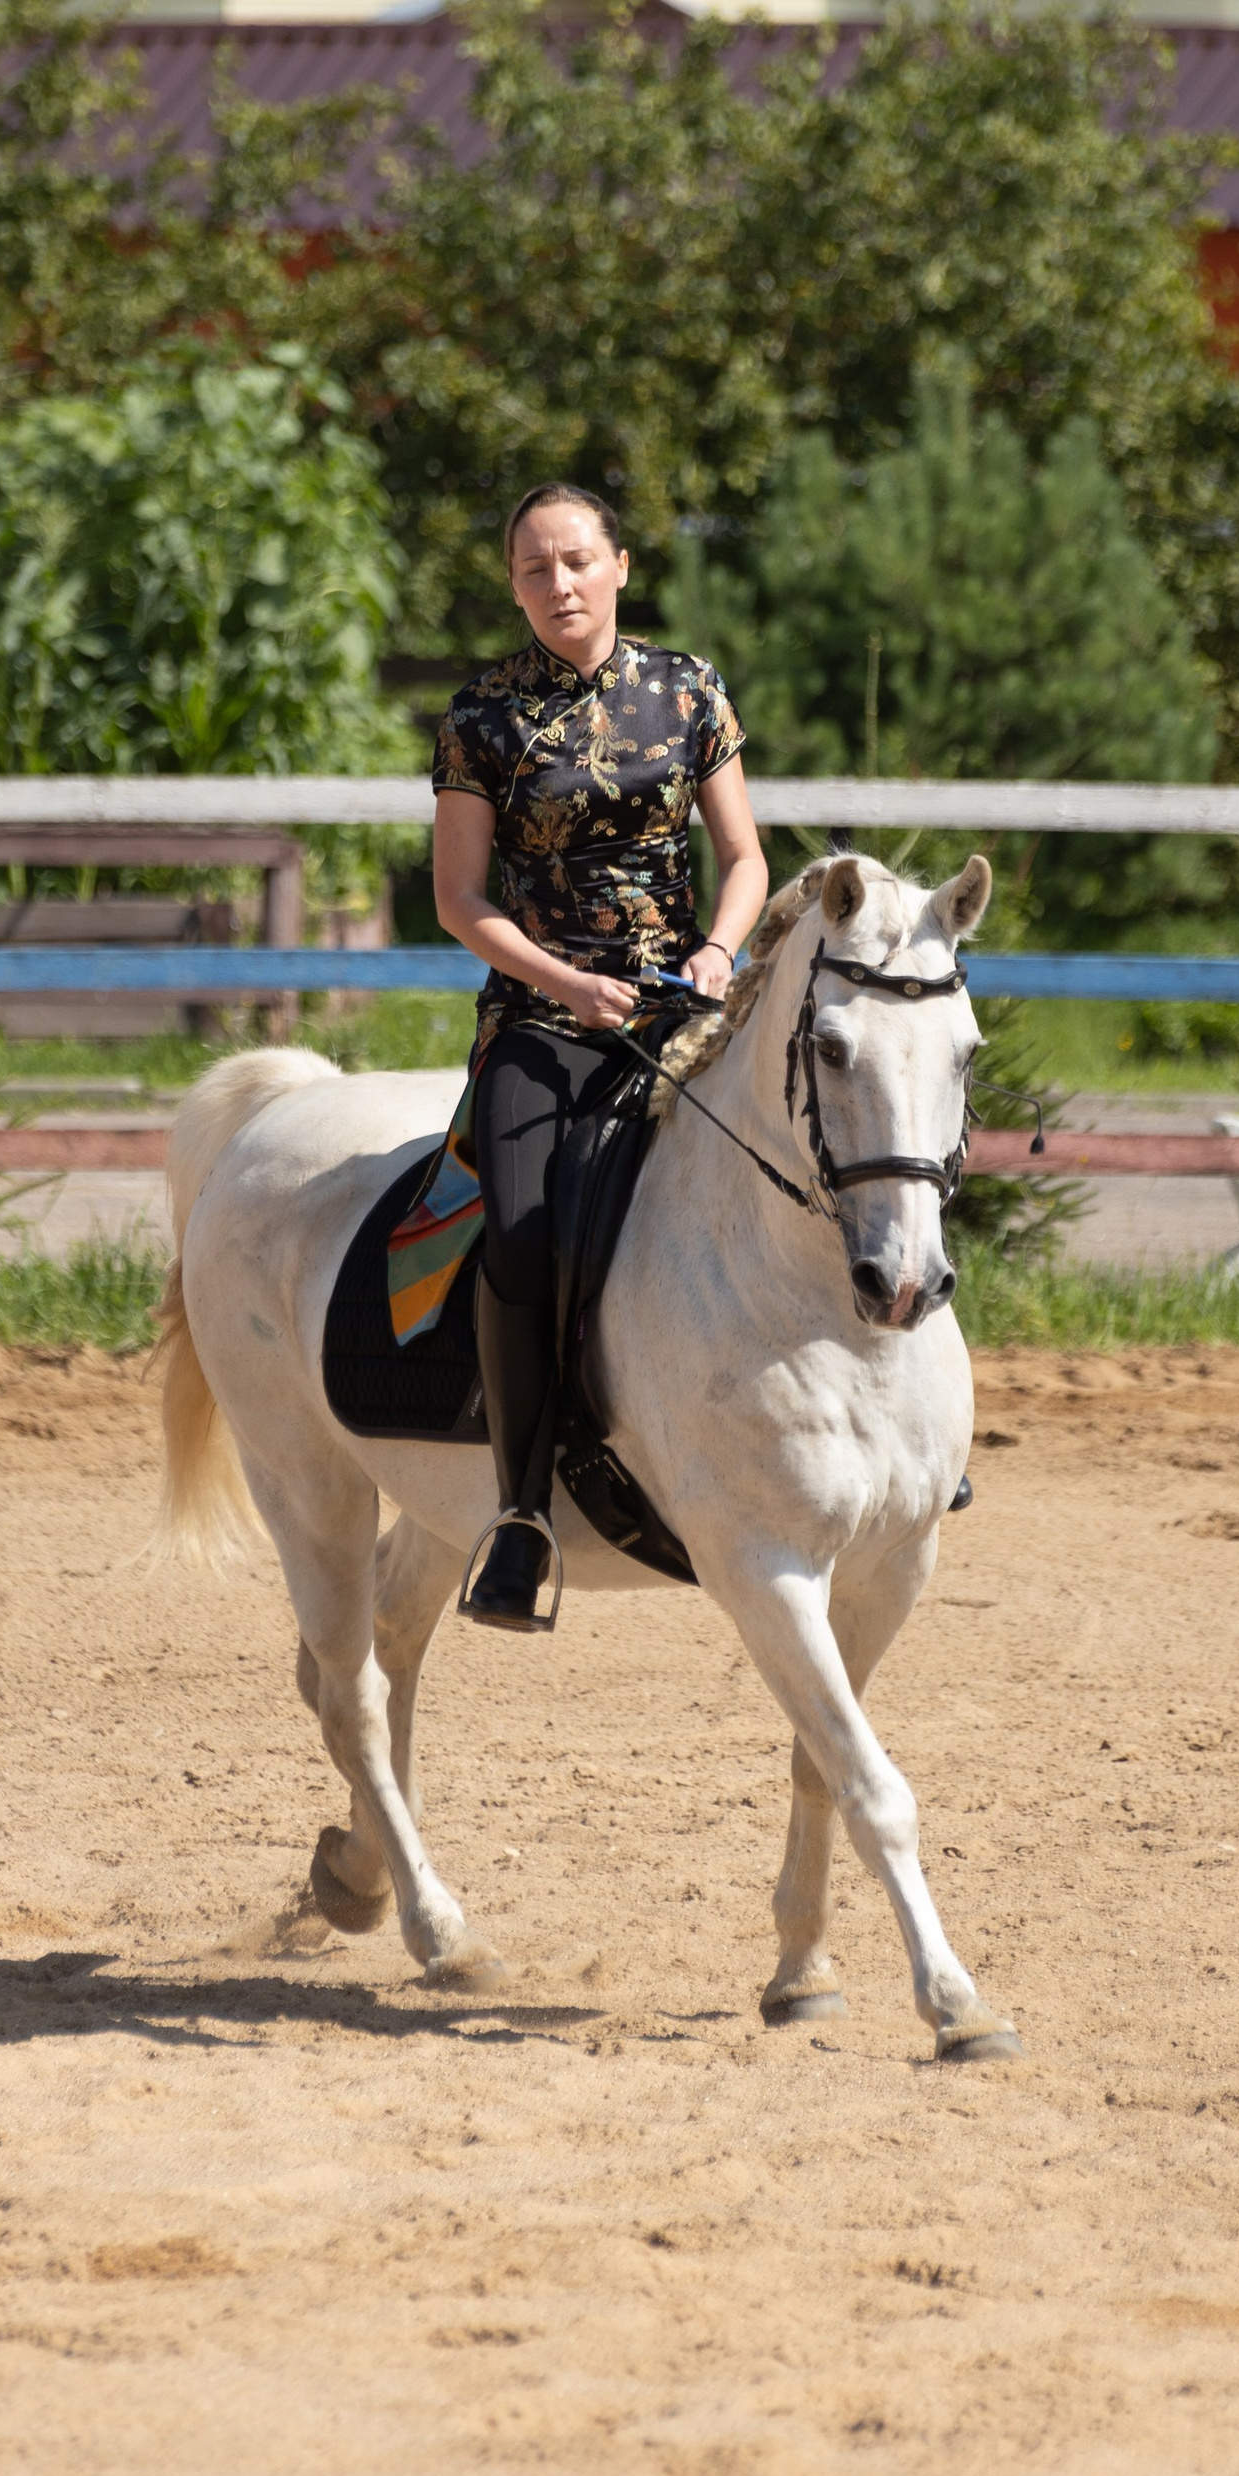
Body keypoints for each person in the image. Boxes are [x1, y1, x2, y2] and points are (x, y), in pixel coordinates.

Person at [431, 481, 768, 1627]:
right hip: (540, 1017)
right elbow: (460, 900)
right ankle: (521, 1513)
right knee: (522, 1243)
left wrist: (720, 954)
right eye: (534, 568)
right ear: (513, 585)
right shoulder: (482, 716)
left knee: (812, 1168)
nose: (558, 584)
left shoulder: (687, 690)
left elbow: (746, 861)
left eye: (577, 560)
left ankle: (878, 1441)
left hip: (683, 1006)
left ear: (620, 565)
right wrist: (563, 981)